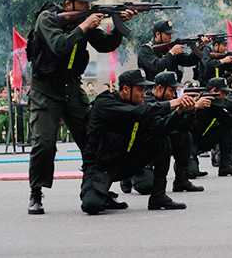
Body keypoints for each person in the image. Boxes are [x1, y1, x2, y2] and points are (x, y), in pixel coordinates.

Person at [27, 0, 137, 215]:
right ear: (69, 4)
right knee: (44, 143)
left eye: (90, 3)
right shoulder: (47, 19)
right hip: (45, 90)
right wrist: (84, 25)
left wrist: (119, 25)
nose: (89, 6)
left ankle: (99, 190)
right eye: (83, 3)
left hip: (71, 88)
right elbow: (59, 46)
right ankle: (36, 193)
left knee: (93, 139)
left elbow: (106, 45)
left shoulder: (81, 22)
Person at [80, 69, 194, 214]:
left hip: (125, 162)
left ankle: (158, 196)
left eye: (145, 90)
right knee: (91, 205)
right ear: (126, 89)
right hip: (101, 166)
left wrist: (179, 112)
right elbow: (135, 113)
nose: (144, 94)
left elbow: (159, 129)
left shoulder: (140, 106)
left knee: (161, 140)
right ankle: (101, 194)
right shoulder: (105, 103)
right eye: (140, 90)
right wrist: (173, 103)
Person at [137, 19, 210, 83]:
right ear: (158, 34)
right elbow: (157, 67)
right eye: (168, 34)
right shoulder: (146, 49)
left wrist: (199, 47)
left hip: (170, 90)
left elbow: (188, 61)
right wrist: (171, 53)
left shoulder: (169, 48)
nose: (171, 37)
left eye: (171, 34)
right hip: (152, 91)